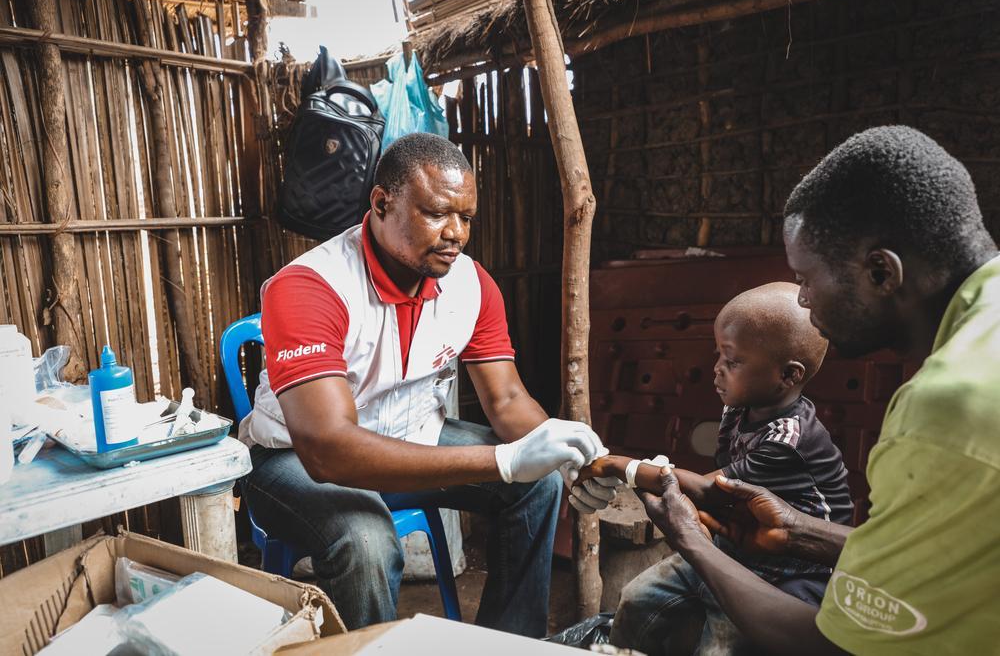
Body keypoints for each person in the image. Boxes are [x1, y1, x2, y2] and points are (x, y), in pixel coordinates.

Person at [238, 132, 619, 636]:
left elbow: (505, 399)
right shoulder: (311, 287)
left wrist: (570, 455)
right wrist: (505, 460)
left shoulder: (472, 284)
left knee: (540, 484)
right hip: (293, 461)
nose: (456, 233)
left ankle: (506, 647)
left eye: (466, 218)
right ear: (381, 203)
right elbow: (327, 449)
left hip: (414, 437)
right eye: (437, 213)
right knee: (367, 542)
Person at [638, 126, 1000, 654]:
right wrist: (805, 531)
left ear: (881, 271)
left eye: (807, 278)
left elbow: (830, 647)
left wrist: (690, 540)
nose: (803, 300)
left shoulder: (945, 408)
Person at [577, 282, 852, 655]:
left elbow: (710, 490)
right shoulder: (743, 406)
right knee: (636, 599)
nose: (717, 370)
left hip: (790, 574)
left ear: (788, 376)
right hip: (734, 545)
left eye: (732, 361)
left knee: (720, 647)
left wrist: (617, 465)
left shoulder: (788, 441)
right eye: (719, 355)